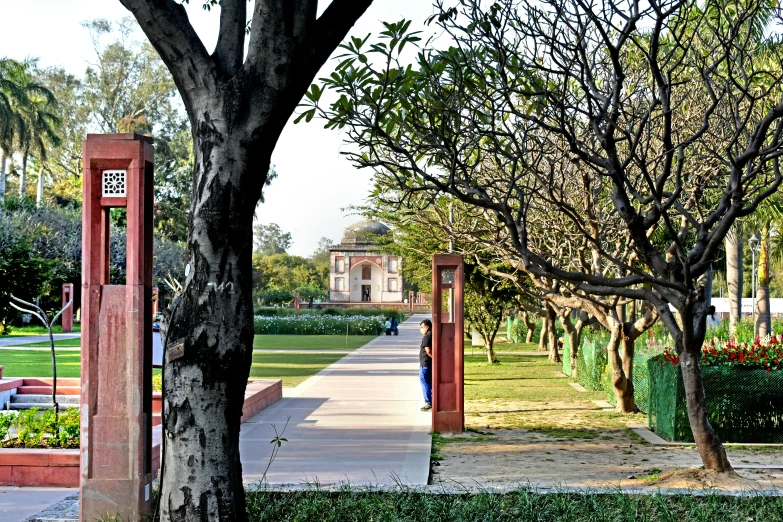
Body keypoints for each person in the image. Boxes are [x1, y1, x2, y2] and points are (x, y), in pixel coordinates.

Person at [419, 319, 433, 411]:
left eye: (422, 327)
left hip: (425, 363)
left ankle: (428, 402)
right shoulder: (432, 335)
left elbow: (428, 351)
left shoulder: (427, 336)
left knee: (425, 383)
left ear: (427, 327)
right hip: (428, 363)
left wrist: (435, 359)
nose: (421, 329)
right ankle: (431, 401)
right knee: (428, 382)